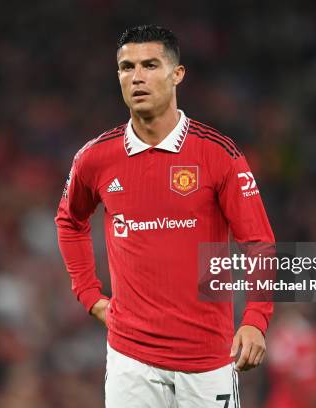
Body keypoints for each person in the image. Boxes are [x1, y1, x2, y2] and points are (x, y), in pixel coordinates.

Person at [55, 25, 275, 407]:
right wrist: (89, 295)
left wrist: (256, 317)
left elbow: (258, 241)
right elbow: (70, 221)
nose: (137, 76)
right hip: (131, 361)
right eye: (126, 67)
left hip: (208, 360)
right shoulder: (96, 158)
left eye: (150, 65)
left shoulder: (218, 154)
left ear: (177, 74)